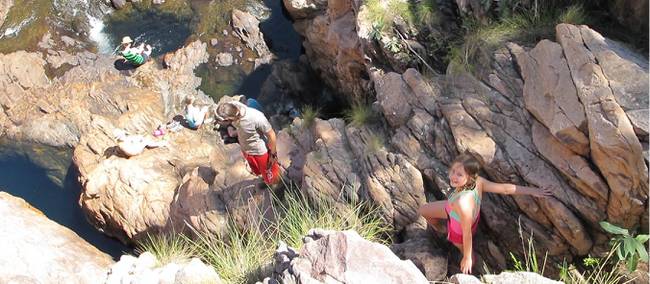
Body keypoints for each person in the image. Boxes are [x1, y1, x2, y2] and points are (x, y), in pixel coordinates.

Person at [417, 154, 553, 274]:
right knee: (423, 210)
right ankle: (441, 229)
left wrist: (467, 257)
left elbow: (467, 233)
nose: (454, 176)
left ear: (469, 178)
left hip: (459, 228)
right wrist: (532, 190)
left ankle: (469, 258)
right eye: (453, 171)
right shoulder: (478, 182)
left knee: (459, 244)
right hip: (455, 211)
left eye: (459, 175)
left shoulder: (462, 203)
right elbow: (505, 189)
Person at [216, 100, 279, 185]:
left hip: (260, 152)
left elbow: (271, 135)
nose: (218, 123)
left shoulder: (256, 118)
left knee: (271, 177)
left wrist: (273, 154)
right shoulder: (233, 106)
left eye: (220, 121)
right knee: (258, 171)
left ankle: (276, 189)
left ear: (228, 119)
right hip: (246, 149)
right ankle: (263, 178)